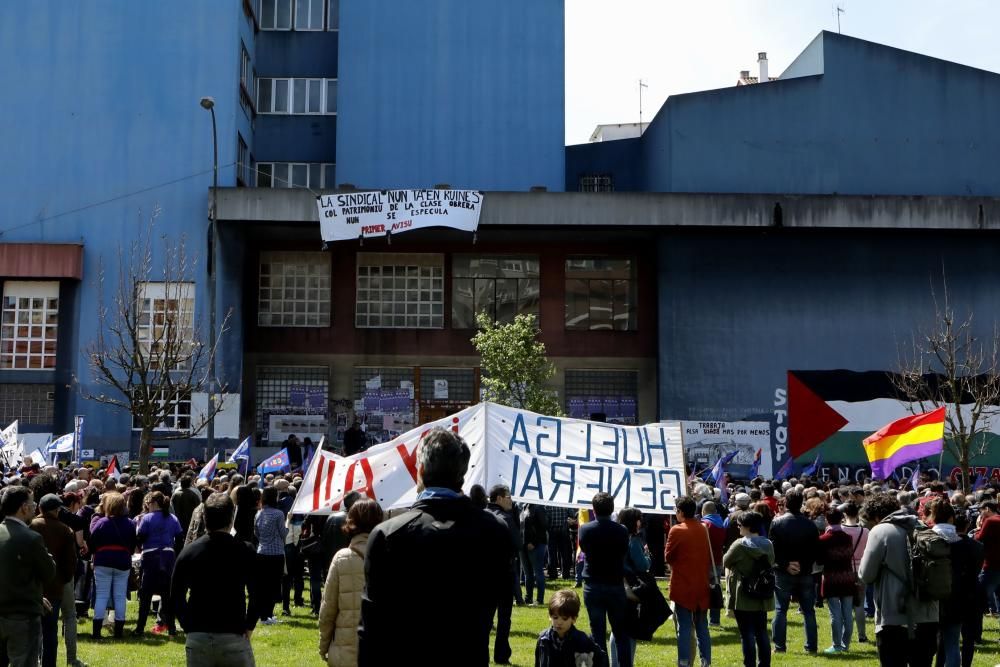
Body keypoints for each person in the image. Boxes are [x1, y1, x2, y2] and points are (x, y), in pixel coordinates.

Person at [358, 428, 512, 667]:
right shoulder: (494, 530)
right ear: (462, 473)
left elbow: (371, 629)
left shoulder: (388, 535)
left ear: (420, 471)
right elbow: (499, 598)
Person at [172, 492, 259, 667]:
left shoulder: (189, 552)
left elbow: (176, 595)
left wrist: (188, 626)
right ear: (231, 517)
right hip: (233, 633)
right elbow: (258, 592)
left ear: (204, 517)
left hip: (198, 635)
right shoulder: (245, 550)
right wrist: (249, 625)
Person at [859, 493, 939, 667]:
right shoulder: (922, 526)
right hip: (928, 614)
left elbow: (866, 575)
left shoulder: (880, 531)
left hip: (894, 616)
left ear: (876, 516)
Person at [318, 499, 384, 667]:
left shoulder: (342, 557)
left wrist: (324, 645)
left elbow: (328, 608)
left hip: (345, 648)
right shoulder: (391, 553)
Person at [0, 486, 56, 666]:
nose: (34, 507)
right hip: (22, 616)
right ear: (23, 507)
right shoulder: (31, 538)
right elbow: (49, 573)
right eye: (32, 504)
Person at [579, 492, 631, 667]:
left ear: (594, 509)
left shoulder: (585, 529)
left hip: (593, 585)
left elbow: (584, 548)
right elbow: (623, 551)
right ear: (612, 508)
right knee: (621, 633)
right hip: (615, 585)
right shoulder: (622, 531)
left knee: (597, 633)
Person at [929, 499, 982, 667]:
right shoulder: (971, 546)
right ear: (952, 519)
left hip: (930, 598)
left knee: (934, 645)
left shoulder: (926, 540)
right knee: (952, 643)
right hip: (959, 598)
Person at [768, 489, 820, 654]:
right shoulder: (809, 524)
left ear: (787, 503)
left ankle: (780, 646)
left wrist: (786, 565)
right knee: (808, 611)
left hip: (786, 571)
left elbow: (772, 549)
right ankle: (811, 646)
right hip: (803, 571)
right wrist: (799, 565)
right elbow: (815, 551)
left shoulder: (777, 523)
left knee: (781, 609)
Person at [665, 495, 712, 667]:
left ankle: (684, 662)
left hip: (683, 586)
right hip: (702, 584)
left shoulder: (676, 530)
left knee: (684, 628)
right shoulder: (703, 528)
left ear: (680, 511)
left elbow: (668, 557)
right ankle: (705, 661)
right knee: (702, 627)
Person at [723, 511, 774, 667]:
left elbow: (726, 561)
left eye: (739, 525)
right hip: (762, 590)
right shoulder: (768, 544)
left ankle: (749, 664)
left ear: (747, 526)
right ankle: (764, 664)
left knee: (747, 634)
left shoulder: (739, 545)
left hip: (743, 592)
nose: (738, 527)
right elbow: (770, 562)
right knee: (761, 632)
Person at [30, 493, 75, 667]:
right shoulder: (65, 529)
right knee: (50, 631)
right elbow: (70, 563)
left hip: (31, 587)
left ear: (39, 508)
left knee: (31, 631)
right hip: (55, 588)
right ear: (57, 510)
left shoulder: (30, 525)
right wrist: (62, 580)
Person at [88, 491, 136, 639]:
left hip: (103, 560)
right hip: (122, 561)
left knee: (102, 595)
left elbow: (92, 540)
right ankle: (119, 632)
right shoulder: (130, 523)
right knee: (120, 596)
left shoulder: (102, 522)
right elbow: (133, 545)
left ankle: (96, 632)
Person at [134, 490, 182, 636]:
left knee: (146, 594)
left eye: (148, 504)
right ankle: (171, 628)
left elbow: (140, 537)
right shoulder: (172, 518)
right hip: (168, 556)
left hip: (151, 556)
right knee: (167, 595)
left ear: (153, 503)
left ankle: (140, 628)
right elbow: (180, 538)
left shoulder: (147, 518)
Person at [485, 485, 520, 665]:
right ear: (499, 498)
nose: (511, 501)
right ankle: (501, 655)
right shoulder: (505, 517)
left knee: (484, 617)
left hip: (484, 574)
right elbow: (517, 543)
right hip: (504, 573)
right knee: (504, 617)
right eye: (508, 497)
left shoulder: (480, 515)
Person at [610, 507, 648, 667]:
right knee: (629, 630)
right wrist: (648, 555)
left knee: (616, 628)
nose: (641, 522)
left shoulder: (614, 537)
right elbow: (642, 564)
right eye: (639, 518)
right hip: (631, 588)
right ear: (634, 521)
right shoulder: (633, 540)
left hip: (614, 586)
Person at [817, 507, 857, 654]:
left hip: (831, 578)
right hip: (847, 577)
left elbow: (820, 561)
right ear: (841, 519)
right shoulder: (848, 538)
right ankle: (845, 644)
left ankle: (837, 645)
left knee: (835, 614)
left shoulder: (823, 539)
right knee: (847, 613)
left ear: (827, 520)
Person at [534, 589, 608, 667]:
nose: (559, 622)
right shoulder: (543, 639)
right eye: (555, 617)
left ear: (574, 619)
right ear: (550, 616)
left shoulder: (582, 640)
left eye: (564, 618)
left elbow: (601, 658)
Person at [254, 485, 287, 624]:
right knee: (274, 585)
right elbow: (283, 533)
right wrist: (288, 523)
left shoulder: (258, 513)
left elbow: (256, 532)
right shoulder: (279, 514)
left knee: (263, 585)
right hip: (276, 553)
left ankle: (263, 615)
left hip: (261, 551)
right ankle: (268, 614)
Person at [841, 500, 870, 643]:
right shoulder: (865, 531)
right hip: (861, 570)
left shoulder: (840, 530)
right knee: (859, 604)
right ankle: (862, 635)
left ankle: (844, 635)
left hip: (844, 570)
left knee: (844, 604)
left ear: (845, 513)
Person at [700, 500, 726, 627]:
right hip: (718, 559)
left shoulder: (705, 524)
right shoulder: (721, 522)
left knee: (705, 589)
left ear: (704, 511)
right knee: (715, 587)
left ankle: (703, 617)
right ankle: (715, 619)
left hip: (706, 560)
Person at [975, 500, 1000, 620]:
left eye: (981, 512)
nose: (981, 515)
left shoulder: (990, 521)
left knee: (980, 593)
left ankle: (976, 629)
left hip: (991, 563)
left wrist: (979, 527)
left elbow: (979, 538)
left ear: (988, 509)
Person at [520, 502, 549, 606]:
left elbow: (544, 526)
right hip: (524, 546)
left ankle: (539, 600)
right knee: (528, 574)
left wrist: (534, 542)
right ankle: (528, 599)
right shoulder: (524, 506)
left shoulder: (539, 507)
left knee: (538, 573)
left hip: (536, 545)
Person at [171, 474, 201, 548]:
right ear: (190, 483)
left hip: (178, 521)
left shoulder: (175, 494)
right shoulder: (193, 494)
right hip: (189, 521)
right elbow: (199, 508)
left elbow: (171, 508)